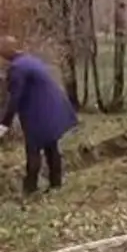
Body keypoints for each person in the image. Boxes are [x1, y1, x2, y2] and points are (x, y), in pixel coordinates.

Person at [0, 36, 77, 195]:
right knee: (51, 145)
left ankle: (30, 189)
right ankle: (56, 184)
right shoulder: (28, 60)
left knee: (33, 149)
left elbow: (14, 98)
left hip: (39, 112)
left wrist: (3, 125)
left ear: (5, 52)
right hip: (53, 106)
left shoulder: (17, 68)